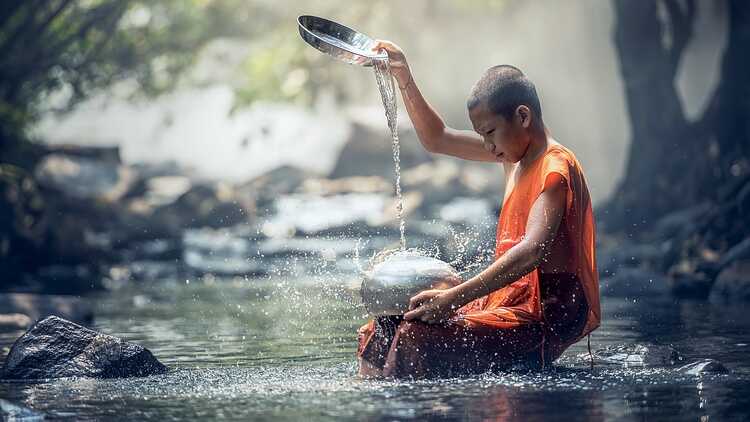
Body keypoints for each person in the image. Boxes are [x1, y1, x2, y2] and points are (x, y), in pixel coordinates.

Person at [357, 40, 601, 378]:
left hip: (545, 316)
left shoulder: (554, 167)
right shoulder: (512, 153)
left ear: (523, 116)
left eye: (489, 133)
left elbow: (532, 251)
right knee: (381, 328)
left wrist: (454, 298)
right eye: (481, 135)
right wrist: (404, 77)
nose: (487, 147)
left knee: (414, 336)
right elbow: (437, 138)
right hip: (507, 301)